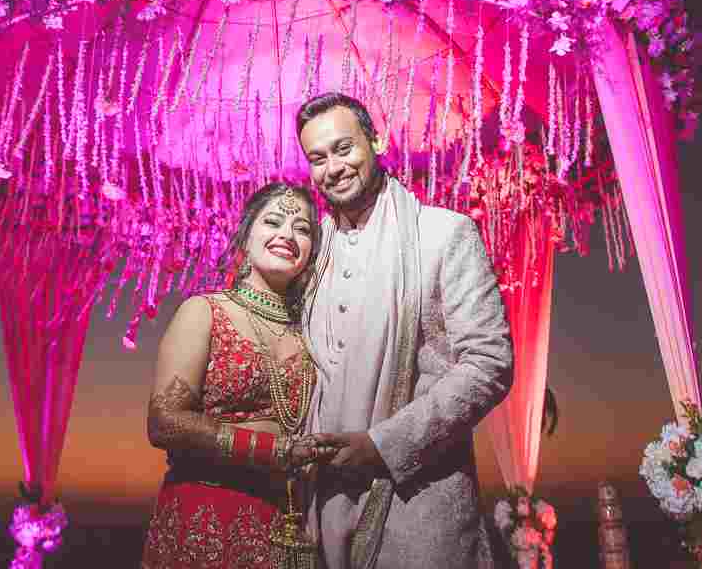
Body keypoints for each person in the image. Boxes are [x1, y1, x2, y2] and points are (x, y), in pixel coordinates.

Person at [298, 92, 513, 568]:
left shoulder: (443, 234)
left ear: (376, 140)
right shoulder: (311, 257)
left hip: (420, 510)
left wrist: (384, 445)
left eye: (343, 148)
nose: (332, 168)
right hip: (323, 506)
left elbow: (490, 363)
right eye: (317, 158)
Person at [142, 181, 334, 568]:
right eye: (274, 222)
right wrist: (277, 452)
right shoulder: (205, 311)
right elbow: (164, 422)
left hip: (286, 524)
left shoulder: (313, 334)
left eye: (302, 229)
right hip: (205, 516)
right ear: (246, 236)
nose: (287, 235)